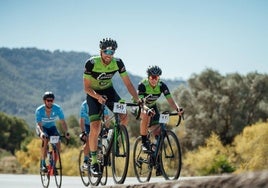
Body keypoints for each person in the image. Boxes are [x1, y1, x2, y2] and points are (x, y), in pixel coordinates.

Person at [83, 38, 141, 176]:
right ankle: (95, 162)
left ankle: (112, 137)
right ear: (101, 51)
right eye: (106, 51)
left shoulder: (118, 63)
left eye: (112, 51)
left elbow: (128, 84)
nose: (109, 54)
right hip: (93, 94)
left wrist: (137, 99)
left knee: (124, 115)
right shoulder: (91, 63)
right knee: (95, 127)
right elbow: (86, 88)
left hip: (109, 91)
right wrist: (97, 97)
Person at [137, 65, 184, 176]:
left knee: (159, 135)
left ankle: (157, 162)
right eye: (152, 77)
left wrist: (177, 109)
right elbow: (141, 102)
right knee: (145, 115)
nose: (154, 79)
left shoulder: (162, 85)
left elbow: (170, 100)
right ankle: (144, 141)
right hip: (140, 106)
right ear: (148, 77)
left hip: (153, 107)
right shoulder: (143, 85)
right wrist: (146, 109)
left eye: (157, 77)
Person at [35, 91, 70, 172]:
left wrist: (66, 132)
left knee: (58, 144)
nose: (50, 102)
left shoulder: (57, 109)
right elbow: (39, 124)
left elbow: (63, 122)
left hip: (52, 127)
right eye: (48, 100)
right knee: (45, 139)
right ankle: (43, 163)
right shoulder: (39, 110)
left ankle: (53, 165)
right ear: (44, 101)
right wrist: (42, 133)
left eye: (52, 100)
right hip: (42, 128)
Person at [79, 99, 110, 170]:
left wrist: (107, 129)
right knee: (88, 140)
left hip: (98, 123)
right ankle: (86, 160)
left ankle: (102, 156)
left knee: (104, 139)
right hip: (87, 125)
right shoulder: (84, 105)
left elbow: (106, 117)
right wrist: (83, 131)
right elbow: (82, 119)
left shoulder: (102, 102)